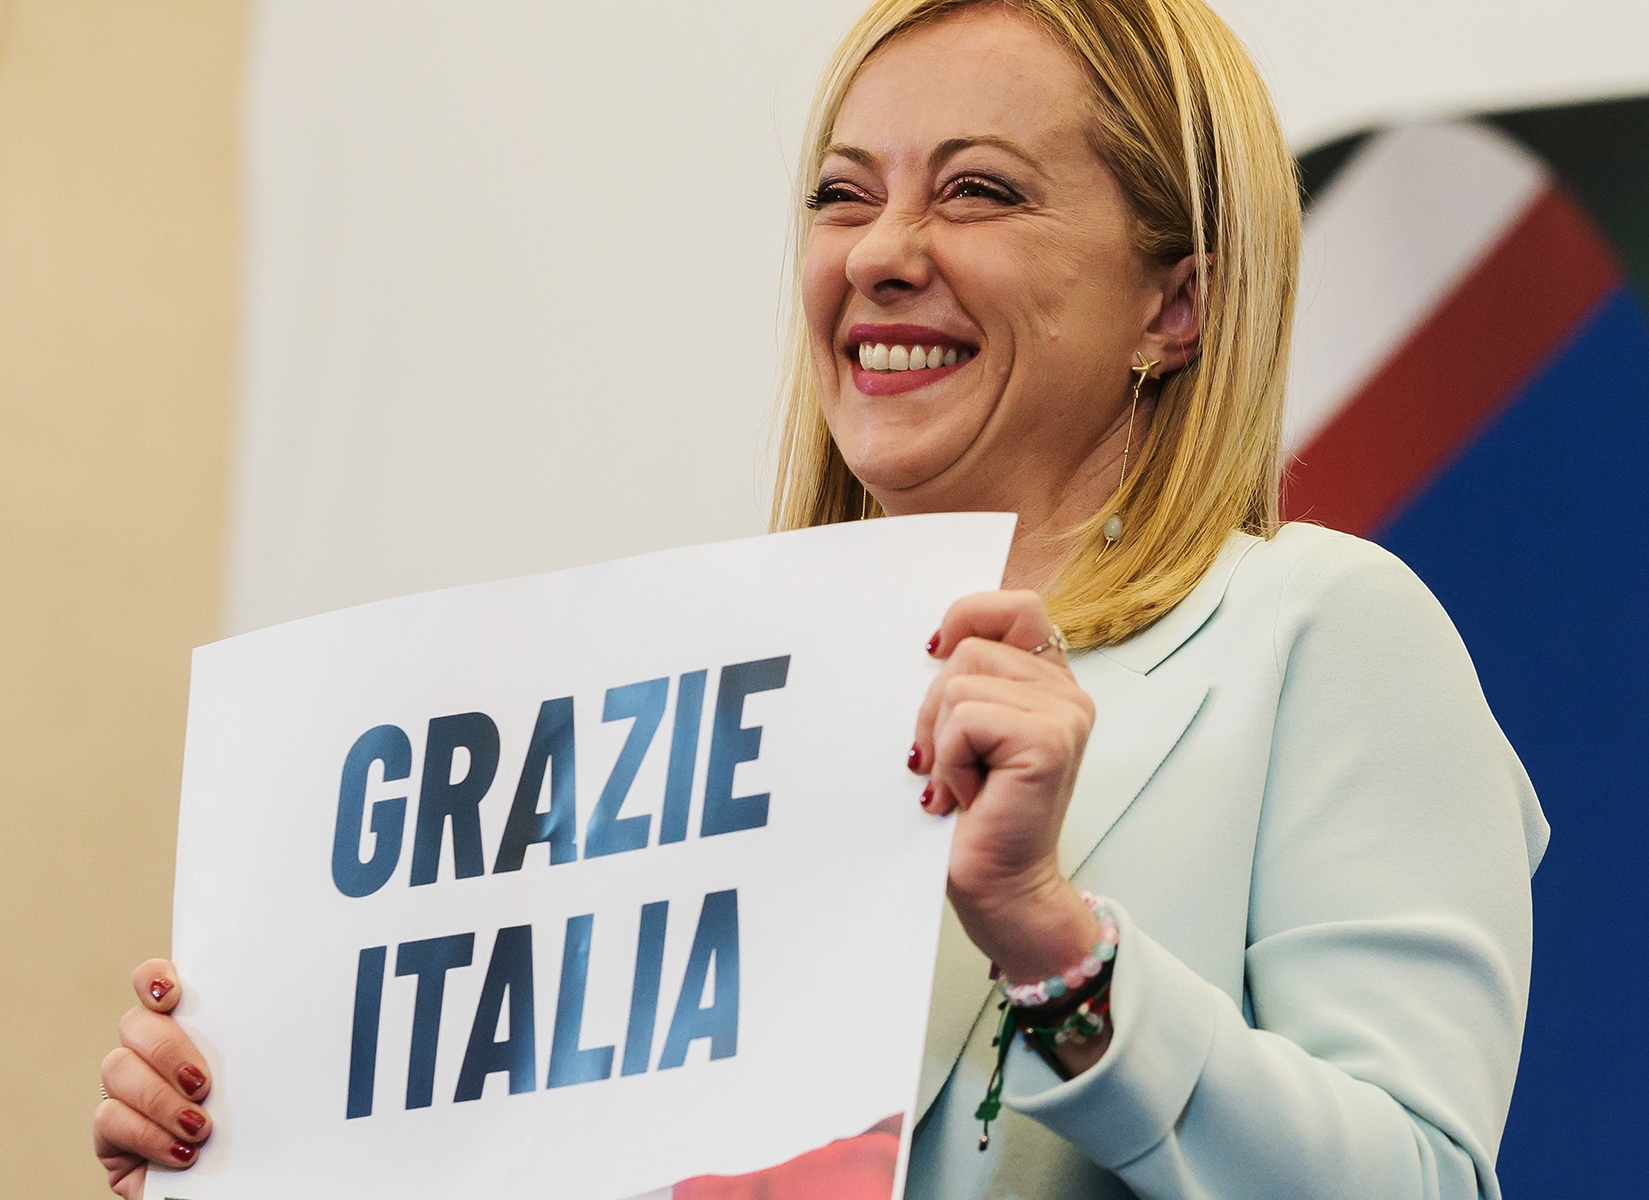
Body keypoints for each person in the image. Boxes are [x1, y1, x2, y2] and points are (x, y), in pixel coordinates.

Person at [92, 0, 1549, 1196]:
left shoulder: (1319, 631)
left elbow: (1417, 1183)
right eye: (843, 195)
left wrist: (1056, 943)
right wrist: (251, 1128)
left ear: (1175, 303)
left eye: (977, 191)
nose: (881, 254)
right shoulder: (674, 713)